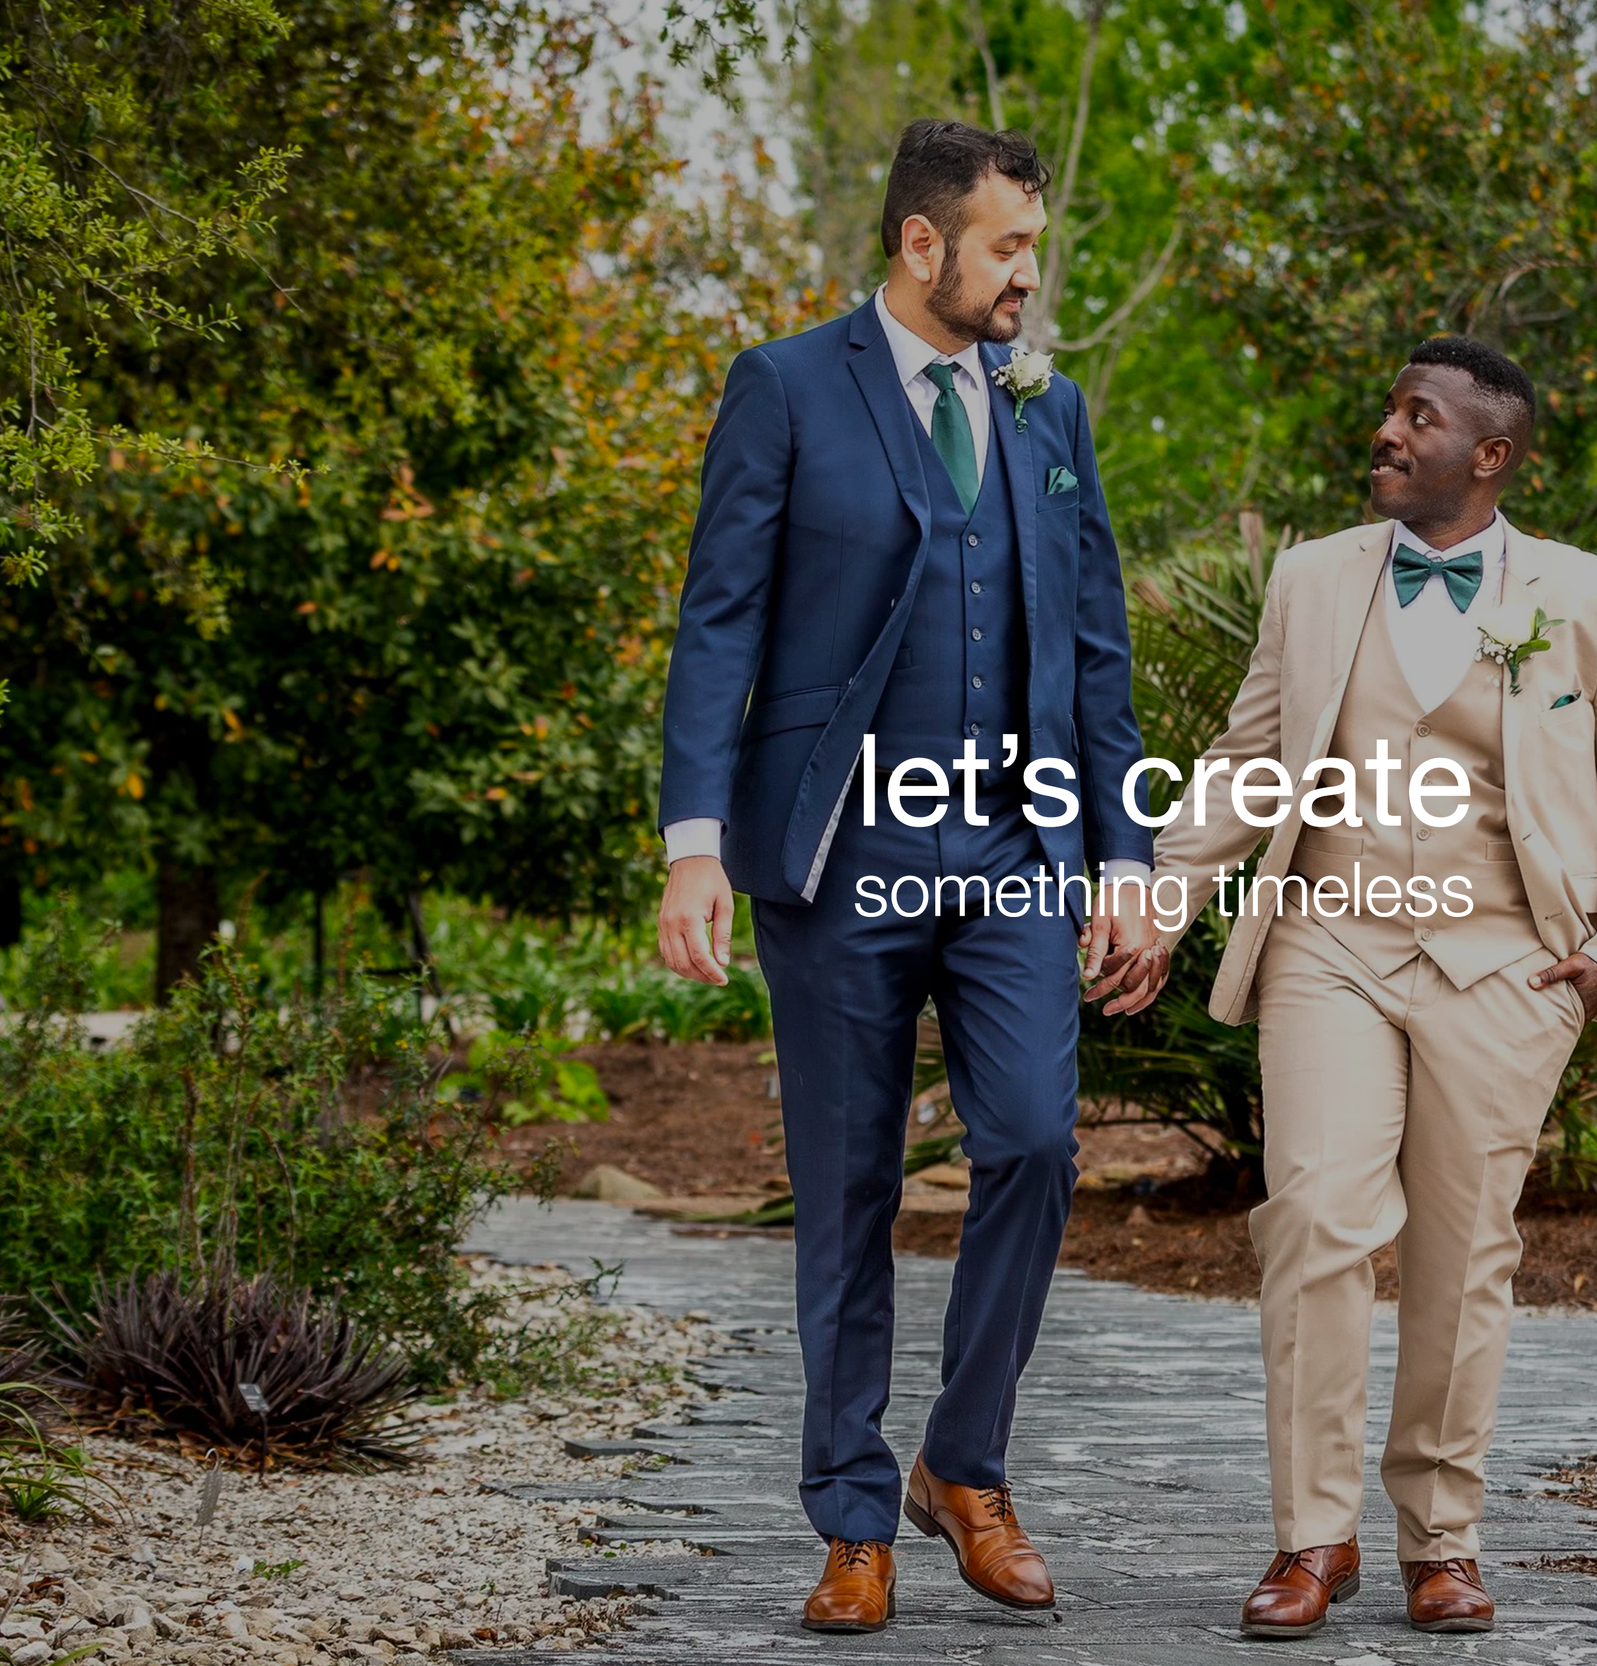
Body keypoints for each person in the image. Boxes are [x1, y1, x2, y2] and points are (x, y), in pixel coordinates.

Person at [653, 118, 1163, 1635]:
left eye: (1034, 247)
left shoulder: (1049, 408)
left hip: (1013, 843)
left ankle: (964, 1463)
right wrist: (694, 846)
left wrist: (1125, 856)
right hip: (840, 850)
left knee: (1037, 1144)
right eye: (1008, 246)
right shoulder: (786, 386)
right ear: (922, 243)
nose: (1029, 276)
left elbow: (1095, 652)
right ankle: (853, 1518)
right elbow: (721, 622)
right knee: (847, 1189)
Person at [1149, 337, 1597, 1637]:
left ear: (1490, 454)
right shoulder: (1311, 578)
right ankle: (1311, 1536)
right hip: (1330, 941)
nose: (1388, 431)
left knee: (1464, 1254)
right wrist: (1164, 894)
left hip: (1508, 962)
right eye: (1392, 409)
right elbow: (1249, 757)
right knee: (1315, 1216)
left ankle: (1441, 1540)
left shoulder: (1590, 599)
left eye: (1420, 416)